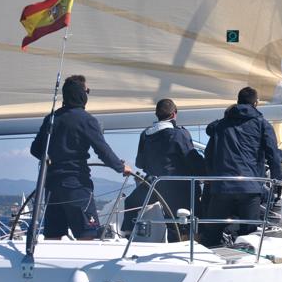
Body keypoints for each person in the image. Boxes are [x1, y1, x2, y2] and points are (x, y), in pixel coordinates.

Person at [30, 75, 132, 240]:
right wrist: (121, 167)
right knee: (88, 235)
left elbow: (35, 149)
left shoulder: (51, 118)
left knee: (53, 237)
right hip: (76, 186)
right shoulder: (86, 120)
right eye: (87, 91)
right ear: (80, 94)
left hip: (51, 186)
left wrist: (49, 158)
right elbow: (102, 150)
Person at [201, 87, 282, 247]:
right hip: (249, 187)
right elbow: (273, 155)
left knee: (211, 235)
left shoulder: (220, 126)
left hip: (222, 188)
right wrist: (277, 180)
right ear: (256, 103)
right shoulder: (262, 125)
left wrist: (211, 178)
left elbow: (208, 154)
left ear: (237, 102)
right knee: (250, 235)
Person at [121, 99, 204, 241]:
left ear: (156, 114)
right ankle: (188, 242)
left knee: (131, 202)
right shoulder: (179, 134)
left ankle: (126, 235)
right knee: (185, 219)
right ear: (174, 114)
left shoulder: (145, 134)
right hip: (177, 187)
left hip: (153, 184)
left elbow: (140, 163)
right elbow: (192, 160)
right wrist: (208, 172)